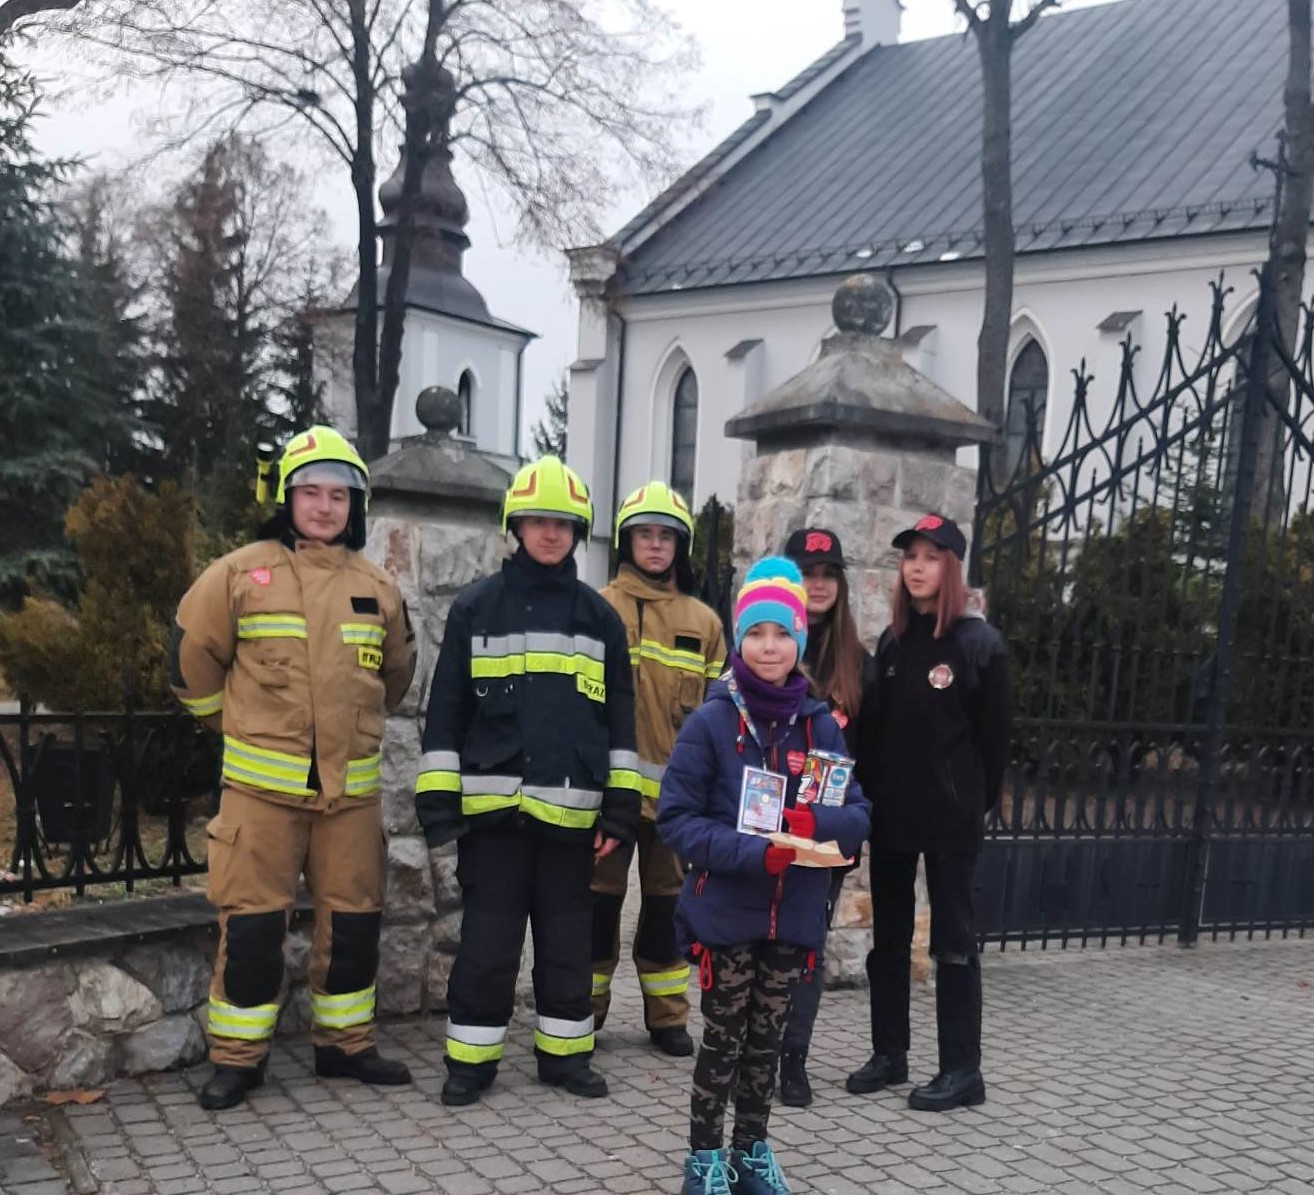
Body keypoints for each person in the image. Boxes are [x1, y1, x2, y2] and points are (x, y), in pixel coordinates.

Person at [171, 425, 417, 1111]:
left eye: (338, 495)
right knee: (252, 927)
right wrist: (236, 725)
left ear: (354, 505)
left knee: (355, 926)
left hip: (350, 800)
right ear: (287, 498)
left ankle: (345, 1044)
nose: (324, 506)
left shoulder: (377, 586)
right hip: (260, 797)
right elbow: (190, 664)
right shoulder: (237, 574)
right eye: (311, 492)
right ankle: (237, 1059)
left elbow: (395, 676)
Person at [415, 455, 643, 1106]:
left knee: (568, 945)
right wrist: (441, 807)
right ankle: (470, 1063)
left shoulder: (600, 619)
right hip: (494, 822)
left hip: (572, 824)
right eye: (539, 521)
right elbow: (447, 711)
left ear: (578, 532)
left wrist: (620, 814)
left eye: (563, 523)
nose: (550, 532)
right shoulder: (476, 608)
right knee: (487, 946)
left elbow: (620, 723)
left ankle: (566, 1057)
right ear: (515, 525)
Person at [658, 558, 870, 1195]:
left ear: (799, 640)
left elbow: (859, 813)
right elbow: (677, 820)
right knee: (723, 1043)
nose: (769, 646)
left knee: (766, 1045)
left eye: (782, 633)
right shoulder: (712, 721)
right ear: (739, 639)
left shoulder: (820, 724)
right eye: (756, 633)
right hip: (727, 913)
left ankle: (751, 1153)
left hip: (793, 916)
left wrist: (816, 821)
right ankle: (704, 1161)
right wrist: (755, 853)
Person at [847, 513, 1010, 1111]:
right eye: (910, 557)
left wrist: (968, 802)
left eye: (931, 557)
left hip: (950, 820)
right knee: (888, 939)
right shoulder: (893, 643)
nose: (917, 567)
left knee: (953, 943)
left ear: (953, 568)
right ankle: (890, 1053)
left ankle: (962, 1070)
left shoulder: (980, 646)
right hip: (893, 814)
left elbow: (994, 745)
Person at [592, 482, 727, 1057]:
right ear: (626, 541)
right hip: (608, 797)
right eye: (644, 534)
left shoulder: (704, 622)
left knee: (668, 909)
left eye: (665, 536)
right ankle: (582, 1013)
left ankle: (668, 1017)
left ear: (680, 546)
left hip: (678, 802)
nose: (654, 545)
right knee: (597, 906)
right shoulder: (598, 607)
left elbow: (721, 715)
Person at [776, 527, 876, 1107]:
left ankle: (793, 1058)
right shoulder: (770, 644)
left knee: (807, 947)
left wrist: (852, 828)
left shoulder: (858, 665)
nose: (817, 584)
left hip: (824, 836)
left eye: (827, 575)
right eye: (806, 573)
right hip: (765, 827)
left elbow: (874, 759)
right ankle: (751, 1051)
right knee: (759, 943)